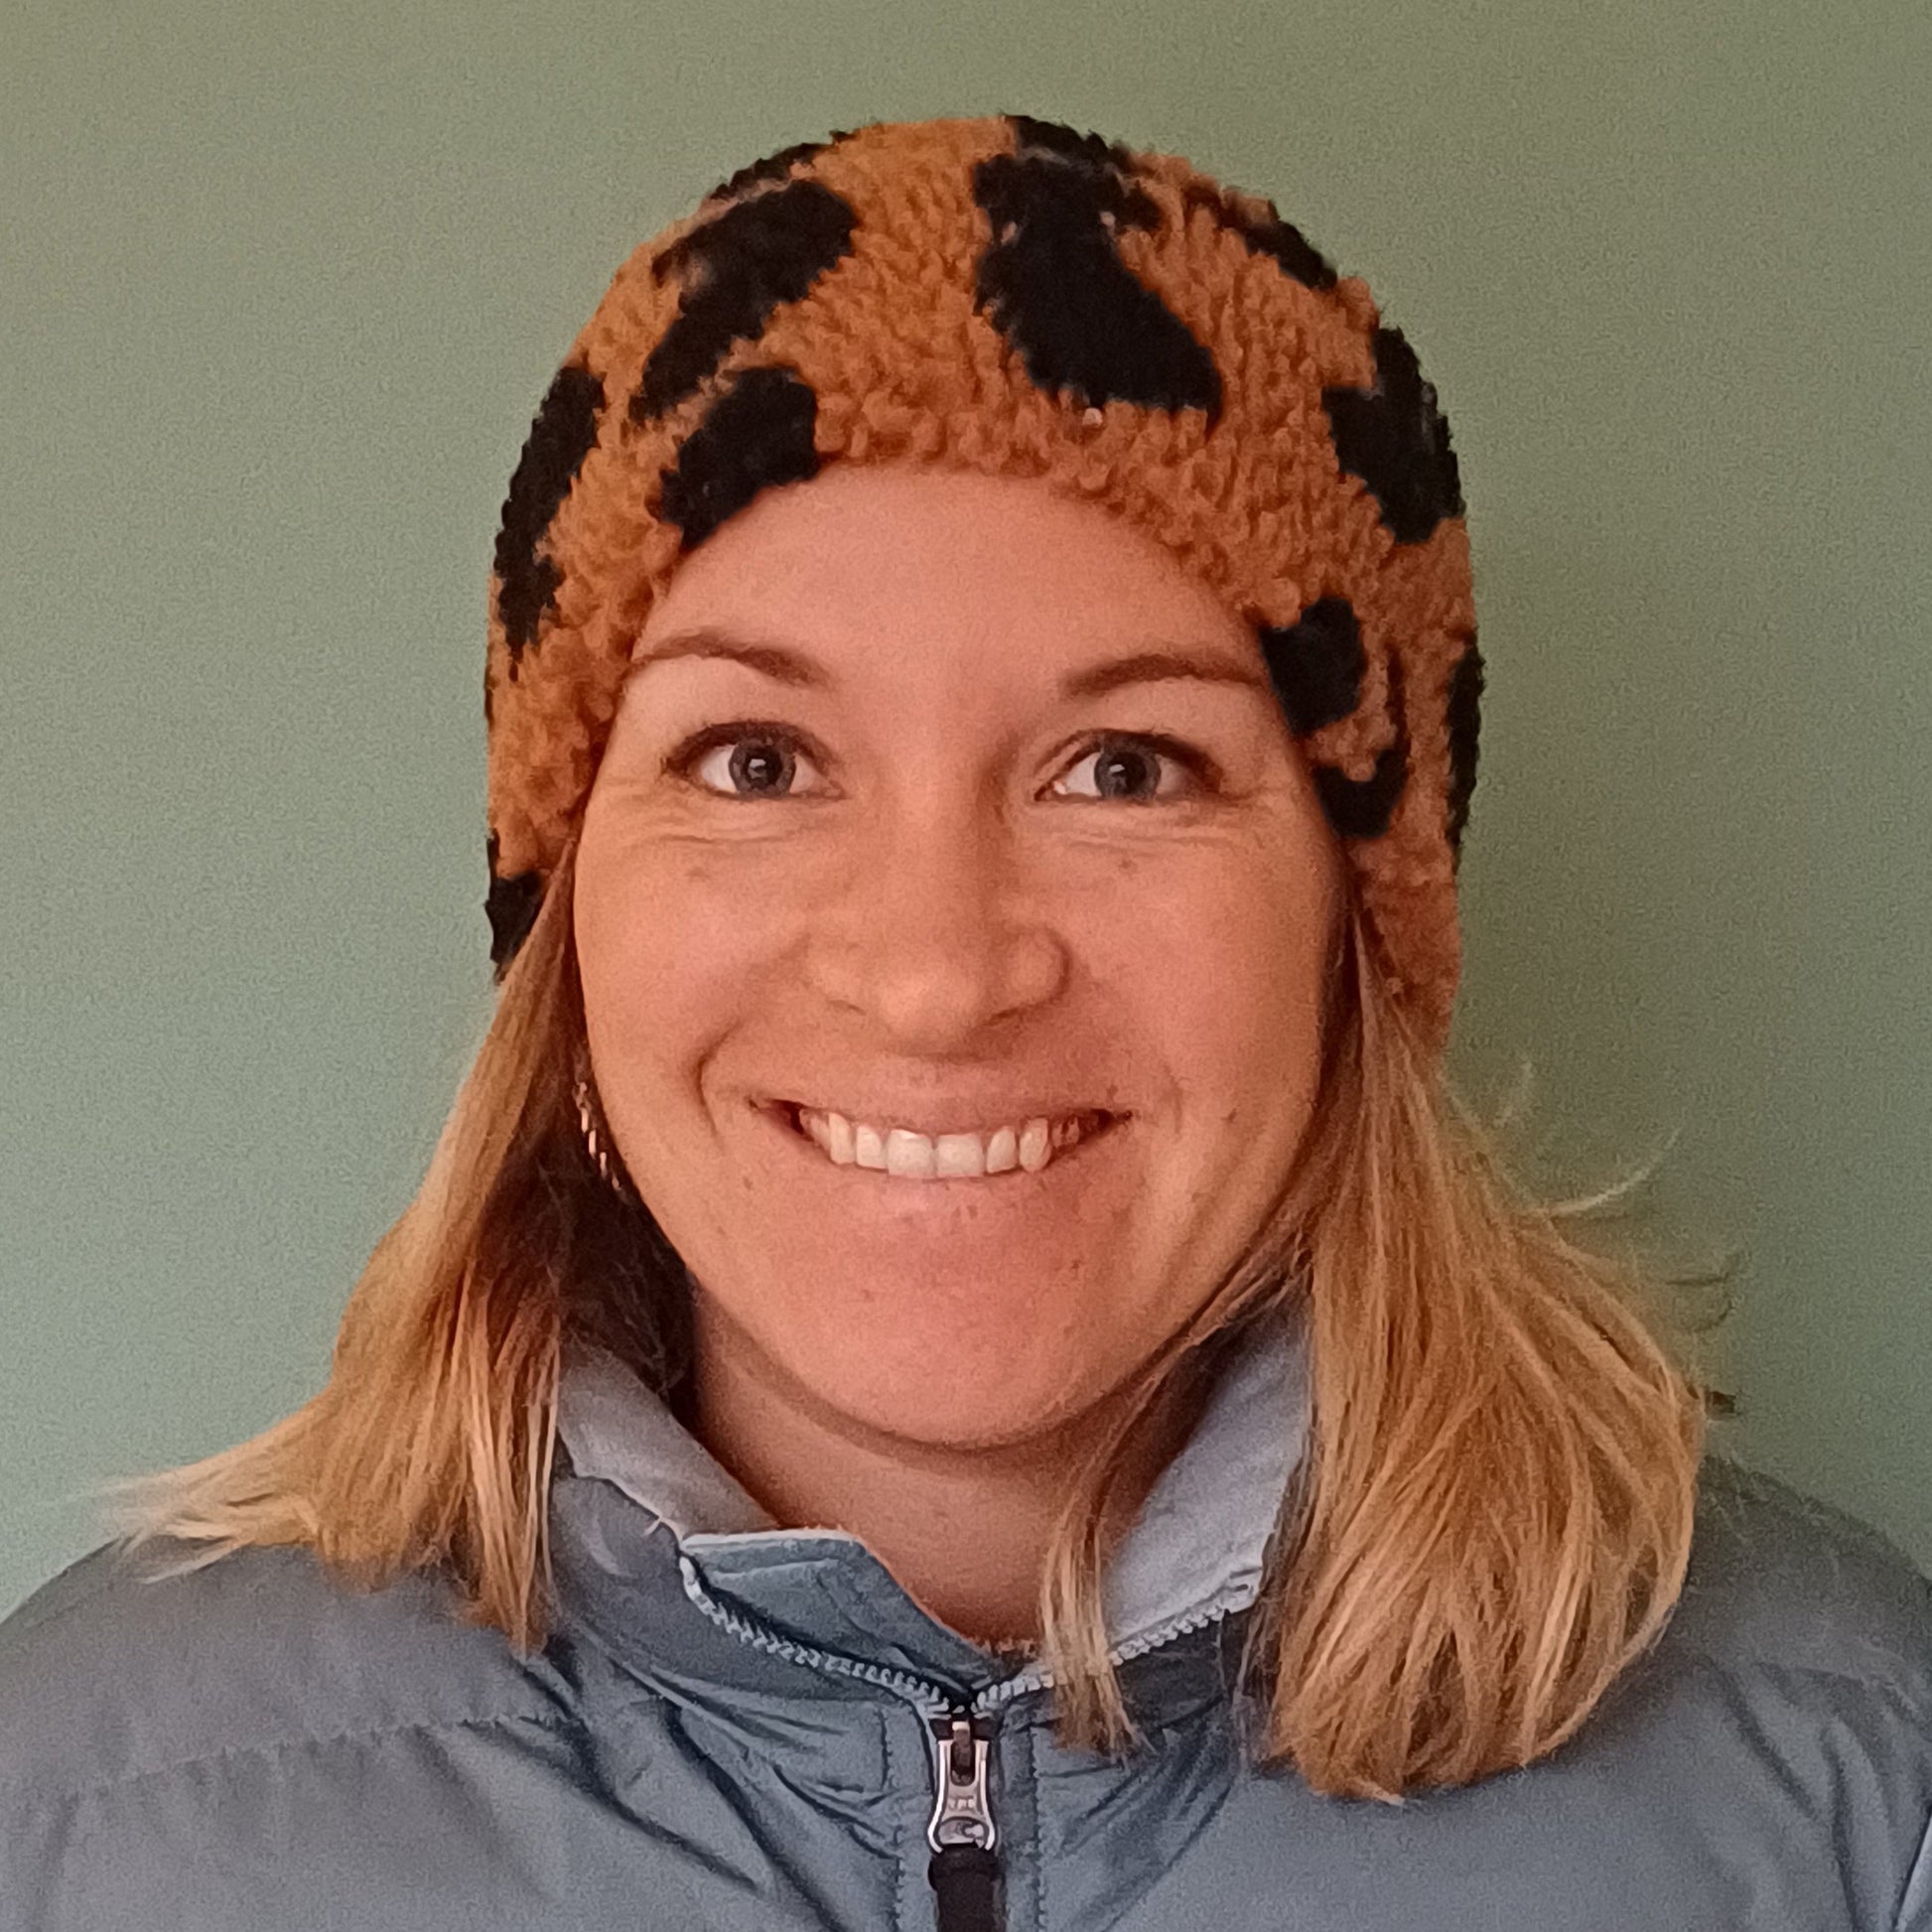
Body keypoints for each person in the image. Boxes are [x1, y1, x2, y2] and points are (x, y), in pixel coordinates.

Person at [1, 112, 1927, 1932]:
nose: (933, 974)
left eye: (1124, 766)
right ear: (567, 924)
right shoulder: (78, 1815)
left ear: (1359, 930)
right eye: (758, 760)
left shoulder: (1850, 1800)